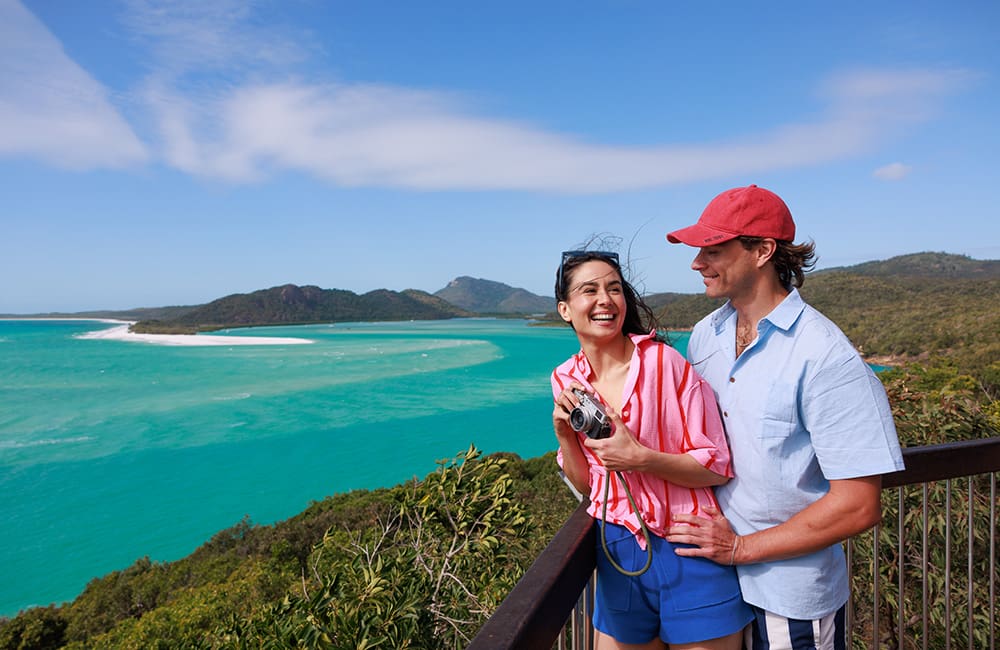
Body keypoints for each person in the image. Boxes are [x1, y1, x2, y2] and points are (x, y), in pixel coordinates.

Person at [663, 185, 905, 650]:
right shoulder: (703, 336)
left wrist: (741, 549)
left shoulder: (824, 355)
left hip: (786, 596)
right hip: (713, 585)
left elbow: (858, 504)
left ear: (762, 251)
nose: (697, 263)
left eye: (712, 249)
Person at [551, 250, 753, 650]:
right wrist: (563, 435)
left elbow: (716, 466)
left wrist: (641, 457)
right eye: (589, 290)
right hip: (618, 549)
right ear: (565, 309)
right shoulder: (566, 378)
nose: (605, 299)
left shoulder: (664, 363)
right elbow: (590, 487)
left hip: (688, 542)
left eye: (613, 288)